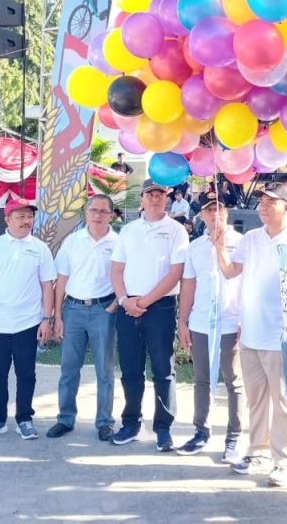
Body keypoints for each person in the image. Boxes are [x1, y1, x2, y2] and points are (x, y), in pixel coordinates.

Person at [220, 182, 287, 487]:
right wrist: (219, 247)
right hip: (251, 335)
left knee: (283, 402)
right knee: (256, 399)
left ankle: (283, 461)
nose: (263, 206)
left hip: (281, 337)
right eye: (261, 201)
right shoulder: (251, 239)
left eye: (271, 202)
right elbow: (231, 272)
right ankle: (256, 450)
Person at [109, 179, 189, 451]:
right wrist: (124, 300)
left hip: (160, 308)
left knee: (163, 370)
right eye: (150, 194)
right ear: (141, 199)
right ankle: (131, 423)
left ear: (167, 198)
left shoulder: (177, 231)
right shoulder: (129, 230)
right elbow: (116, 270)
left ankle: (163, 427)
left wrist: (143, 301)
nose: (155, 198)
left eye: (160, 194)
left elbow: (175, 273)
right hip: (128, 307)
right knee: (131, 369)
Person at [0, 197, 55, 441]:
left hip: (28, 323)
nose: (26, 221)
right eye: (20, 216)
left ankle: (24, 419)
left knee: (26, 373)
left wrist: (46, 319)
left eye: (29, 216)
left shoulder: (40, 248)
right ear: (7, 219)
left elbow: (47, 285)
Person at [176, 192, 246, 462]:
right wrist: (182, 322)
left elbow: (246, 283)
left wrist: (243, 320)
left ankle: (234, 437)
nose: (214, 213)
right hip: (201, 322)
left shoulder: (241, 243)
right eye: (208, 209)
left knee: (233, 381)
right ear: (201, 214)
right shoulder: (194, 247)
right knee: (202, 379)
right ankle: (201, 431)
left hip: (231, 322)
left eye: (219, 208)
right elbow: (189, 286)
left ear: (227, 212)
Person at [49, 194, 119, 442]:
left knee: (104, 370)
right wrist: (57, 316)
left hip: (104, 311)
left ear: (111, 215)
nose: (97, 215)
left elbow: (126, 276)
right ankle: (65, 419)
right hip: (74, 310)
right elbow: (62, 280)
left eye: (103, 211)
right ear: (85, 213)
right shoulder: (73, 241)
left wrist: (115, 304)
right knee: (69, 369)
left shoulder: (118, 242)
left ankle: (104, 421)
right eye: (93, 210)